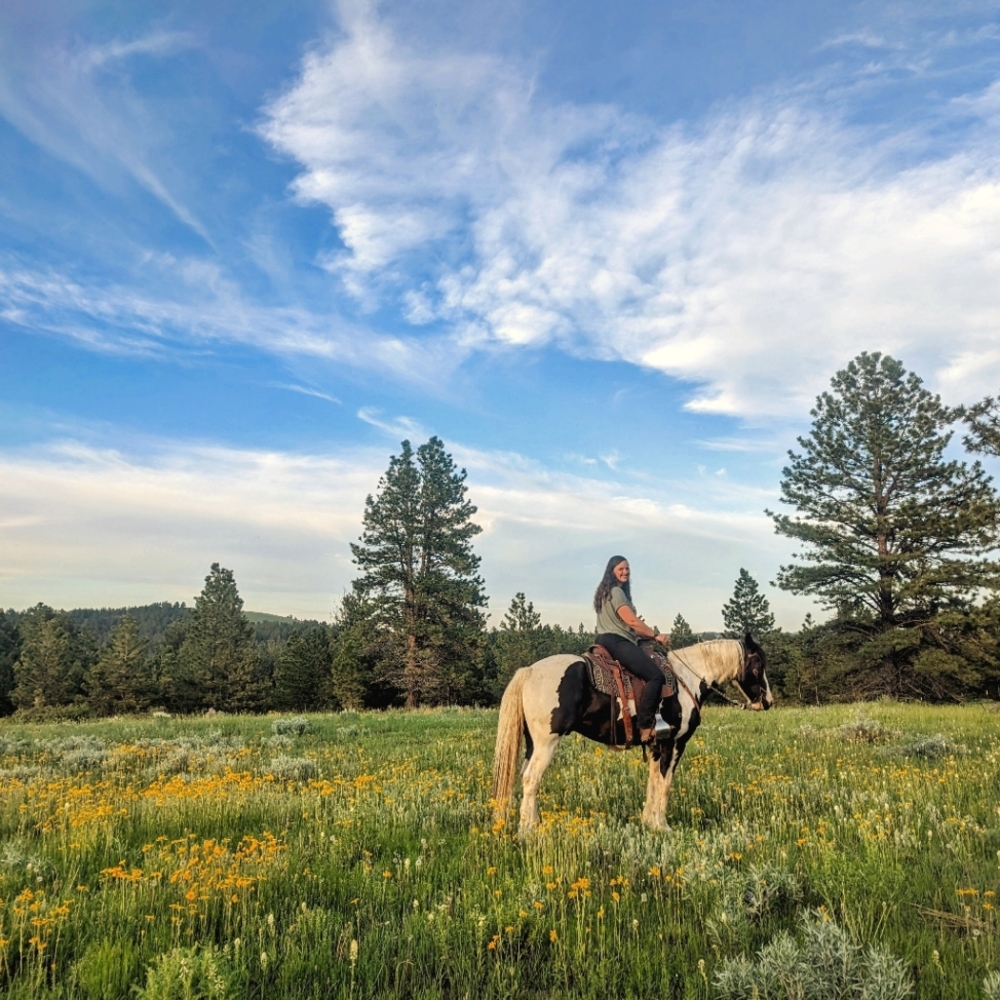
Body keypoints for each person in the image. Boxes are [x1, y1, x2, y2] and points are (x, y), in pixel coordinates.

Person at [594, 555, 671, 743]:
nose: (625, 572)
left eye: (627, 569)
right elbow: (631, 621)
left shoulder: (604, 593)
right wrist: (655, 635)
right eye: (621, 568)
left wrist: (643, 635)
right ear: (611, 571)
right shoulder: (617, 592)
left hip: (603, 640)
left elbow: (626, 625)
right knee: (656, 676)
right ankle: (645, 725)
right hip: (618, 642)